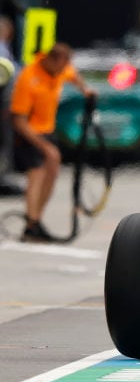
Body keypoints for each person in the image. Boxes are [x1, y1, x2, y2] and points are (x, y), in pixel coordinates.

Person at [8, 43, 95, 242]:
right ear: (51, 60)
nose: (64, 71)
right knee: (36, 174)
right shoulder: (29, 78)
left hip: (47, 129)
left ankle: (35, 220)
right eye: (61, 66)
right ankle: (31, 223)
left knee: (52, 170)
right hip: (28, 133)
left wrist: (85, 90)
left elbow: (73, 74)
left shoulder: (60, 70)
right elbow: (18, 120)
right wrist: (44, 147)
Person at [0, 15, 22, 196]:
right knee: (3, 143)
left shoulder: (5, 49)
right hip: (4, 107)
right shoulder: (1, 51)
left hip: (8, 105)